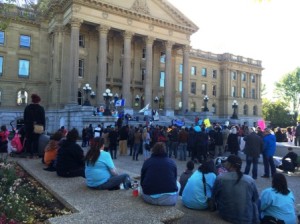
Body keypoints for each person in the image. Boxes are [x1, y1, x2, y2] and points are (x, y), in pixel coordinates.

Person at [212, 155, 259, 224]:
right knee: (257, 202)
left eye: (226, 162)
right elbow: (255, 198)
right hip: (246, 218)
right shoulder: (250, 180)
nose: (224, 164)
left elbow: (214, 196)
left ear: (229, 164)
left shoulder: (220, 178)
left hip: (225, 215)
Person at [23, 94, 46, 158]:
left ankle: (28, 153)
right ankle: (35, 153)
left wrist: (25, 126)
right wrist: (44, 128)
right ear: (38, 101)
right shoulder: (41, 108)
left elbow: (24, 118)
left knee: (29, 140)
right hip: (38, 126)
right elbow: (43, 119)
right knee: (36, 140)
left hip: (28, 126)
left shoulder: (27, 108)